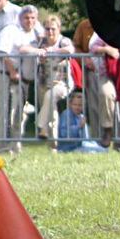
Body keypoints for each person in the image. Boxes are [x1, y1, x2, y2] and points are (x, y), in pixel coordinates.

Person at [0, 5, 41, 150]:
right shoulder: (10, 30)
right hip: (6, 76)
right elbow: (2, 53)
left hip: (24, 80)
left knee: (19, 113)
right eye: (26, 17)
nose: (29, 21)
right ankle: (2, 145)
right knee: (5, 112)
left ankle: (15, 144)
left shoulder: (36, 33)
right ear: (20, 18)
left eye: (33, 18)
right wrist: (12, 72)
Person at [35, 14, 74, 144]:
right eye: (47, 29)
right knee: (51, 111)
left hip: (62, 83)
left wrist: (54, 50)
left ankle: (41, 126)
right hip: (44, 81)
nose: (50, 32)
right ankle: (53, 144)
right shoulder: (41, 42)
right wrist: (40, 57)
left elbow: (70, 50)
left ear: (59, 29)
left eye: (53, 29)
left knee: (49, 96)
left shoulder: (64, 40)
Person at [88, 31, 120, 148]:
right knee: (106, 93)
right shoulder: (103, 30)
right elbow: (92, 47)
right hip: (106, 74)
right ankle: (107, 129)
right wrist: (107, 49)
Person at [57, 89, 107, 153]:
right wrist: (78, 126)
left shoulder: (81, 116)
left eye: (80, 105)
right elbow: (63, 134)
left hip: (79, 145)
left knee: (102, 149)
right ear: (70, 104)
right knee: (97, 151)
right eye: (75, 105)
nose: (77, 107)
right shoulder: (66, 114)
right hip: (69, 148)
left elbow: (85, 138)